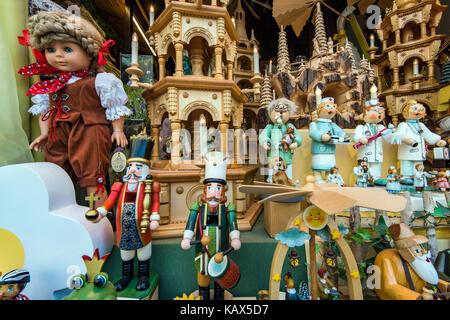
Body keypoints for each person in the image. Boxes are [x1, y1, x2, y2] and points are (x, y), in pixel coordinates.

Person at [19, 11, 130, 206]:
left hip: (88, 129)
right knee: (57, 174)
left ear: (90, 53)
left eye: (67, 49)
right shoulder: (50, 86)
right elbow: (45, 111)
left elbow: (115, 105)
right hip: (57, 132)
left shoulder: (100, 82)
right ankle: (63, 215)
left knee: (92, 175)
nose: (58, 55)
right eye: (51, 50)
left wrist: (118, 129)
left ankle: (98, 215)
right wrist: (44, 133)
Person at [86, 131, 160, 292]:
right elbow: (110, 201)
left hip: (142, 227)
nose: (133, 171)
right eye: (131, 166)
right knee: (126, 254)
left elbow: (155, 203)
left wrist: (155, 217)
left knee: (143, 253)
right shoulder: (120, 186)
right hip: (124, 227)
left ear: (145, 170)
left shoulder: (150, 186)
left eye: (138, 167)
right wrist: (101, 212)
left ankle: (143, 276)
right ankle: (126, 276)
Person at [181, 152, 241, 300]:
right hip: (202, 253)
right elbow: (190, 223)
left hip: (221, 251)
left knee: (220, 276)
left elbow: (233, 225)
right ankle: (204, 296)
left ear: (223, 191)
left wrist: (235, 237)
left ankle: (220, 296)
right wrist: (187, 237)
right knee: (203, 276)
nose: (213, 193)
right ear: (205, 190)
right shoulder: (197, 207)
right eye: (210, 188)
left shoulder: (228, 208)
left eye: (218, 188)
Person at [374, 223, 449, 300]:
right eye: (417, 250)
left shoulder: (417, 260)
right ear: (406, 251)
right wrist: (417, 297)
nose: (423, 253)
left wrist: (446, 286)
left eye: (421, 247)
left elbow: (428, 278)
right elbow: (390, 287)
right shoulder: (386, 259)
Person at [353, 93, 400, 180]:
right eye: (376, 112)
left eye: (381, 113)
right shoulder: (361, 127)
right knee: (363, 172)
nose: (379, 114)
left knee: (376, 174)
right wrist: (361, 138)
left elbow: (388, 137)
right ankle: (364, 183)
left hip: (377, 155)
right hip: (365, 155)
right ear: (366, 113)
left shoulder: (381, 127)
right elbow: (355, 136)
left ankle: (375, 182)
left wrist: (394, 136)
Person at [395, 100, 446, 180]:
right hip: (407, 150)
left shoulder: (420, 125)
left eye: (421, 110)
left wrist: (437, 141)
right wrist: (406, 139)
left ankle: (418, 179)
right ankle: (406, 178)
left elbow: (427, 134)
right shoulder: (404, 125)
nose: (418, 112)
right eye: (415, 109)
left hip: (419, 152)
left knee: (418, 170)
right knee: (406, 167)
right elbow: (398, 135)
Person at [259, 98, 302, 183]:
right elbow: (263, 135)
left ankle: (288, 183)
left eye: (283, 111)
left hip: (286, 157)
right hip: (273, 157)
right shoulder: (270, 127)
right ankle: (272, 184)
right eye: (277, 110)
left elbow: (297, 135)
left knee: (288, 172)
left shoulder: (289, 126)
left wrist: (296, 143)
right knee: (273, 173)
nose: (280, 113)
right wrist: (265, 142)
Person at [309, 97, 347, 183]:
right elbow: (312, 133)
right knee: (318, 165)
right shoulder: (315, 123)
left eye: (333, 107)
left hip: (330, 151)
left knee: (330, 165)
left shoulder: (332, 124)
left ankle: (328, 177)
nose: (331, 109)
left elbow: (339, 131)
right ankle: (317, 177)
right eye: (328, 106)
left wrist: (344, 135)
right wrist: (321, 136)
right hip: (319, 150)